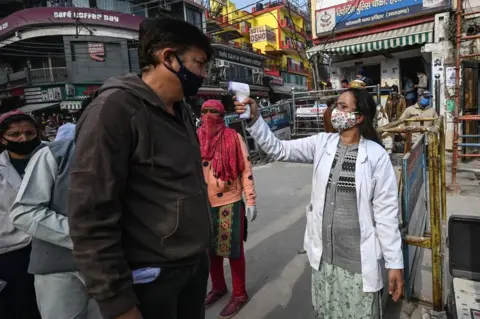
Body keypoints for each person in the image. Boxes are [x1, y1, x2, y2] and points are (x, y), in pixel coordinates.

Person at [68, 17, 213, 319]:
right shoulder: (114, 110)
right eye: (199, 63)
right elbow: (90, 215)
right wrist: (117, 303)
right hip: (150, 276)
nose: (204, 74)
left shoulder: (182, 111)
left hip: (192, 266)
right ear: (169, 58)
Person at [235, 88, 404, 319]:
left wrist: (394, 263)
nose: (336, 111)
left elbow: (386, 213)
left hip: (357, 264)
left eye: (343, 107)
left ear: (359, 116)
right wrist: (255, 119)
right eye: (336, 105)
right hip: (324, 260)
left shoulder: (376, 156)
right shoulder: (322, 143)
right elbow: (279, 149)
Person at [10, 124, 102, 319]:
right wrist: (86, 236)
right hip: (58, 268)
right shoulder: (55, 154)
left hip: (110, 264)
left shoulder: (132, 153)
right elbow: (24, 212)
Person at [198, 100, 257, 318]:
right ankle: (218, 287)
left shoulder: (234, 138)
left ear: (222, 115)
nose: (208, 115)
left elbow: (246, 169)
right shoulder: (197, 137)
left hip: (229, 201)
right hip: (204, 204)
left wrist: (250, 200)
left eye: (213, 111)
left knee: (232, 252)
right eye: (204, 111)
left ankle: (240, 294)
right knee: (210, 252)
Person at [0, 110, 41, 319]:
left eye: (29, 133)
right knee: (19, 308)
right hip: (11, 251)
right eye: (14, 135)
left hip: (47, 245)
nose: (23, 139)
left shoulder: (51, 159)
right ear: (2, 138)